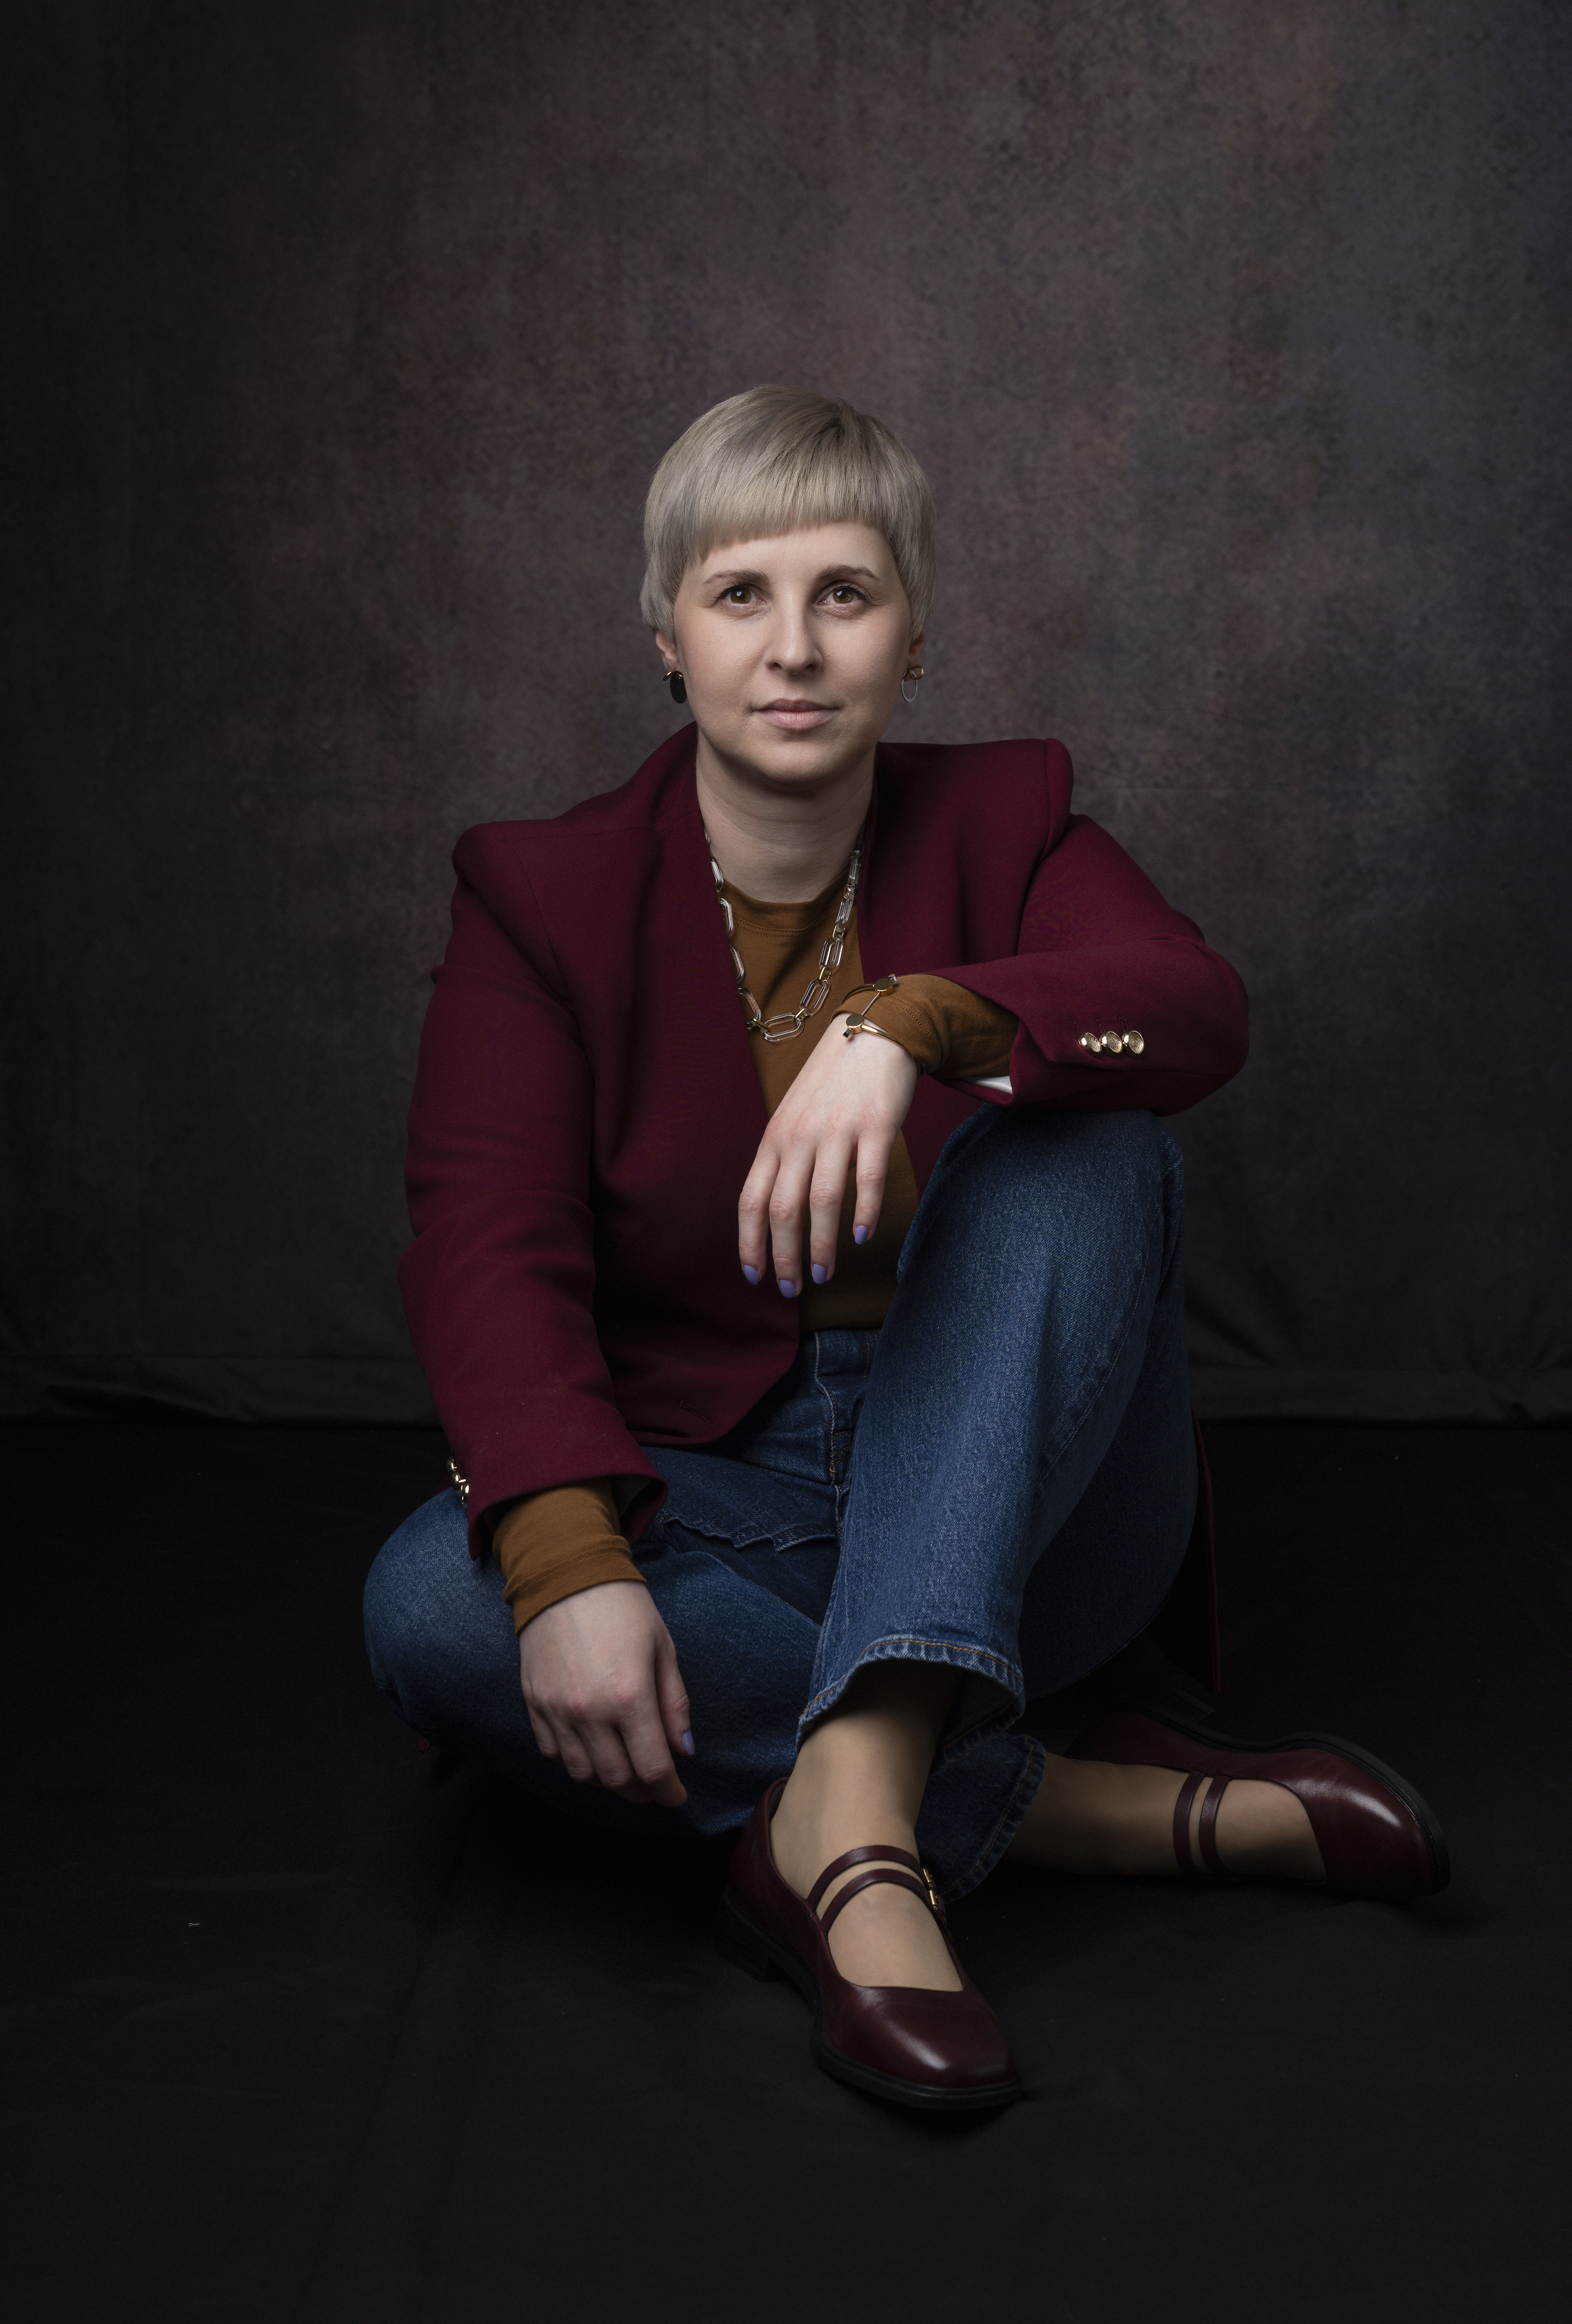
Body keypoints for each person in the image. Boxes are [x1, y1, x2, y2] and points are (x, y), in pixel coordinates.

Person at [364, 387, 1449, 2112]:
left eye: (845, 594)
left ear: (916, 631)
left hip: (1035, 1496)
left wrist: (917, 1024)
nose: (792, 648)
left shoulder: (1013, 821)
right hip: (730, 1486)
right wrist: (570, 1567)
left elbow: (1189, 1009)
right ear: (664, 638)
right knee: (437, 1602)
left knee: (1077, 1140)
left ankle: (851, 1821)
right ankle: (1066, 1798)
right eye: (739, 597)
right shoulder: (539, 893)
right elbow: (488, 1245)